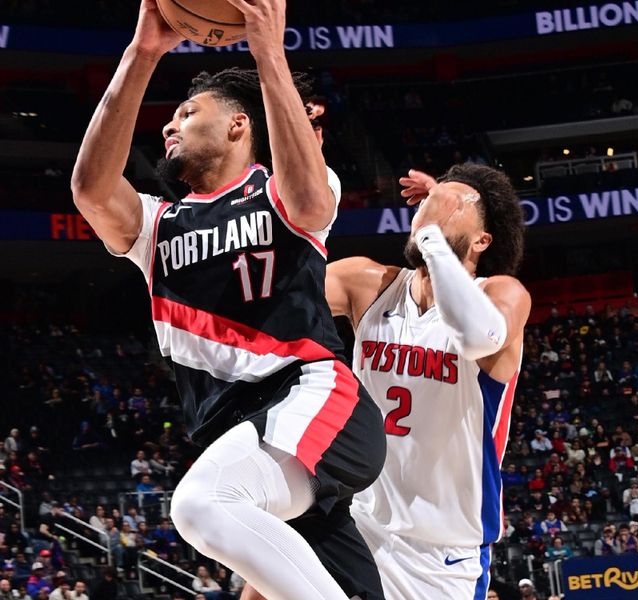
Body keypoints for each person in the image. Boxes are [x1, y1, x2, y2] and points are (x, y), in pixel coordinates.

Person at [70, 1, 386, 599]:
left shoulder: (281, 189)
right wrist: (142, 53)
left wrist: (269, 49)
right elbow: (89, 189)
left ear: (239, 126)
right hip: (249, 437)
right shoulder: (156, 228)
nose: (169, 126)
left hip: (310, 398)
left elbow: (314, 203)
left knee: (201, 504)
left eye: (188, 113)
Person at [321, 163, 529, 598]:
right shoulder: (369, 284)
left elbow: (477, 336)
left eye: (452, 205)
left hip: (443, 551)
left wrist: (432, 236)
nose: (433, 211)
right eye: (431, 202)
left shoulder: (503, 294)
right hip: (360, 521)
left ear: (482, 240)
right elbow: (282, 290)